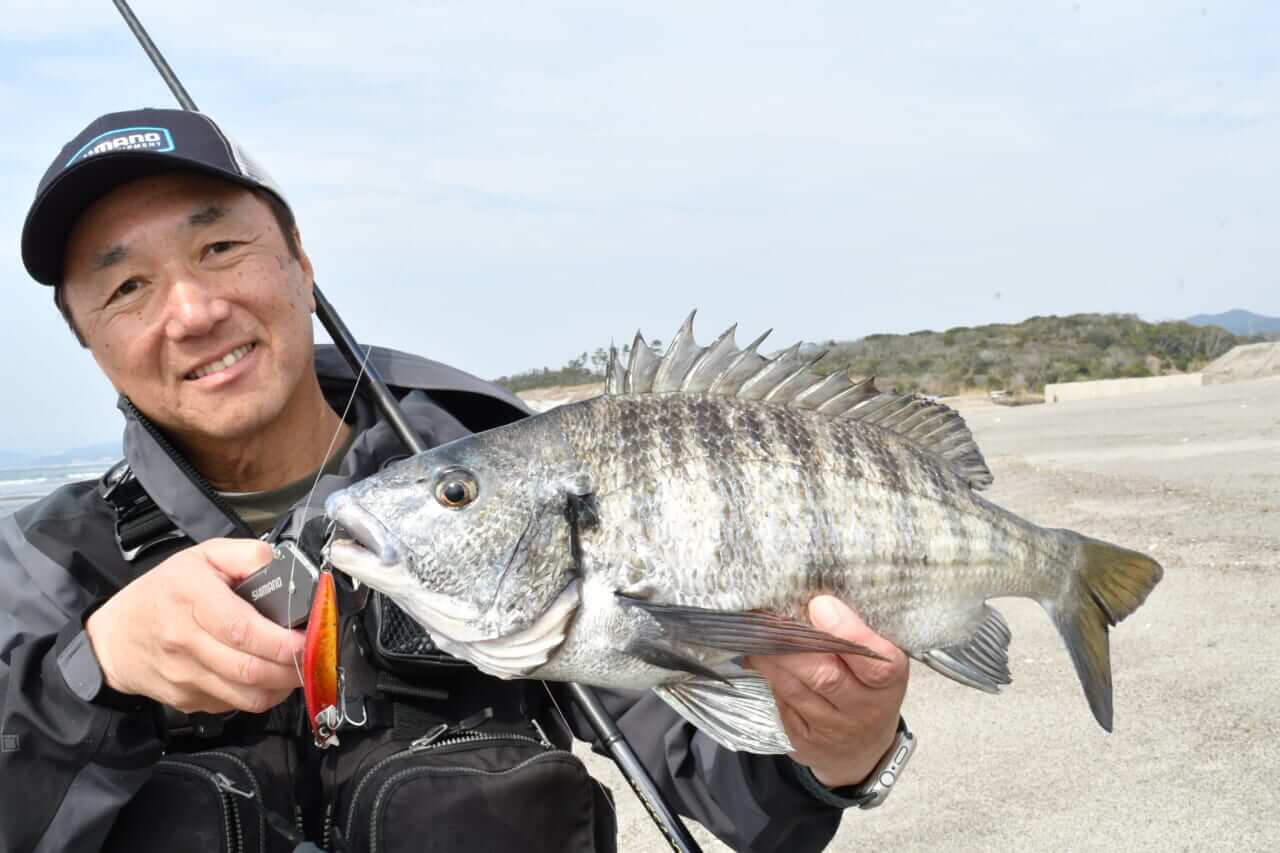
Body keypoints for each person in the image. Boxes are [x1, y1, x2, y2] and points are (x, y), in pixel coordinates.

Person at [0, 108, 910, 853]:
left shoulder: (509, 478)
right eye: (126, 289)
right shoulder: (40, 566)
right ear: (88, 339)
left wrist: (835, 747)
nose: (193, 311)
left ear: (301, 264)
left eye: (219, 249)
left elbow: (721, 777)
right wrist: (99, 671)